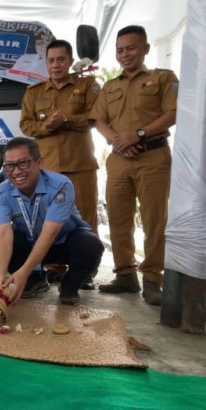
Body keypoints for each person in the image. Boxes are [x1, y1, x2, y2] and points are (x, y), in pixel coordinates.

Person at [89, 25, 178, 305]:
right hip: (119, 159)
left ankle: (152, 279)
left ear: (145, 49)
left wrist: (138, 134)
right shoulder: (110, 86)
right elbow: (98, 120)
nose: (125, 54)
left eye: (131, 48)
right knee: (118, 218)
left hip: (152, 156)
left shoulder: (163, 78)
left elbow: (173, 112)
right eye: (120, 50)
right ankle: (125, 275)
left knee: (154, 219)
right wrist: (117, 139)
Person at [19, 39, 101, 290]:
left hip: (80, 164)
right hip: (49, 169)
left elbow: (95, 117)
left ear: (69, 60)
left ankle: (85, 270)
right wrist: (47, 126)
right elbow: (26, 125)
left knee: (85, 217)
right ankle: (54, 266)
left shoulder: (88, 86)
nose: (56, 65)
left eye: (61, 60)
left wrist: (66, 120)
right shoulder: (35, 92)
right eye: (51, 60)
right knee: (48, 218)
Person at [0, 137, 104, 306]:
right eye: (10, 165)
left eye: (23, 163)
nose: (16, 172)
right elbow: (4, 232)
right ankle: (35, 280)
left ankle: (69, 285)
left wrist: (23, 271)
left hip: (62, 243)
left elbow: (50, 233)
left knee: (90, 245)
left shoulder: (61, 185)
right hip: (30, 244)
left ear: (39, 162)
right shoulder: (1, 191)